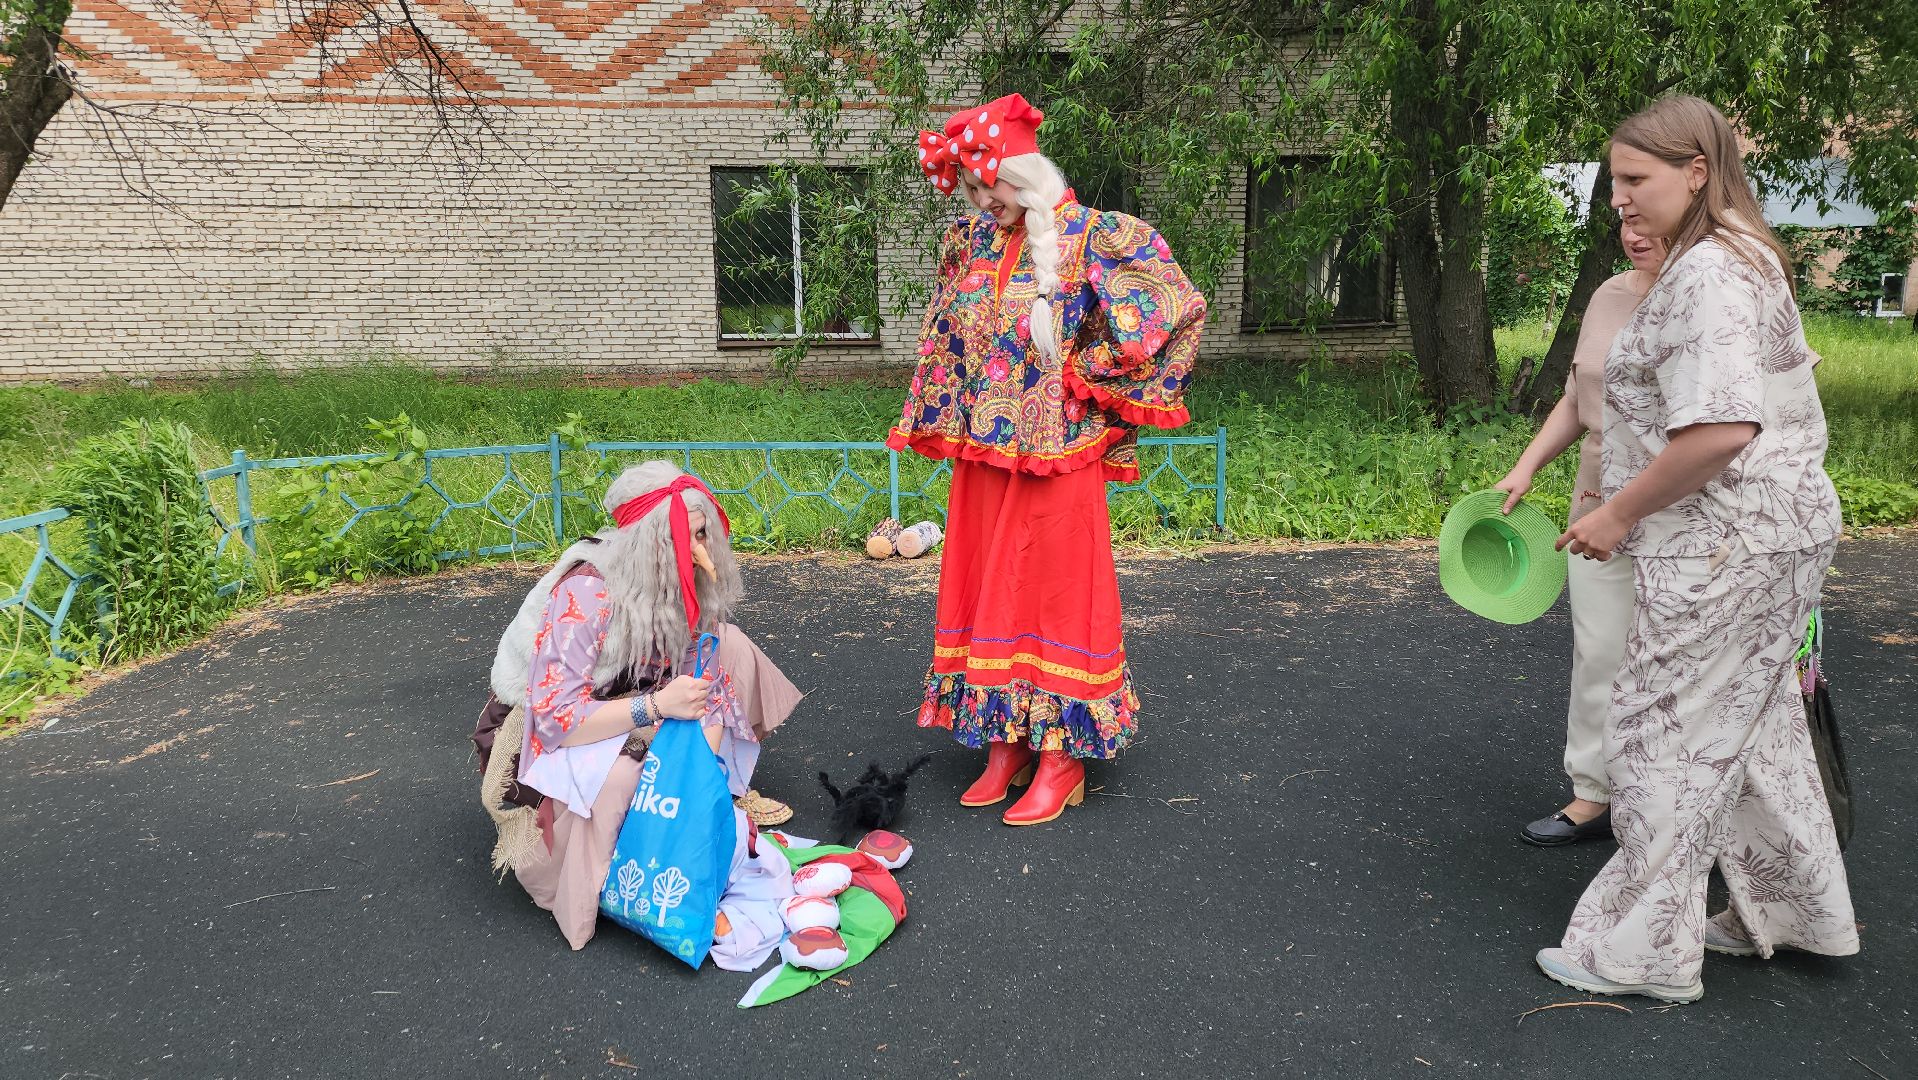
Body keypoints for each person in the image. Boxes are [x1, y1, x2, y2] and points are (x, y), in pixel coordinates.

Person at [1535, 96, 1856, 1004]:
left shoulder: (1711, 273)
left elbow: (1718, 429)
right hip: (1776, 534)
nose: (1620, 200)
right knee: (1754, 731)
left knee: (1659, 735)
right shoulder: (1748, 254)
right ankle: (1799, 914)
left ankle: (1640, 955)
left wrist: (1615, 514)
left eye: (1636, 180)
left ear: (1697, 172)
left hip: (1722, 543)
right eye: (1614, 182)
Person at [889, 93, 1207, 825]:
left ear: (1024, 172)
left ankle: (1061, 756)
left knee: (1056, 597)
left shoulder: (1097, 237)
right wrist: (948, 416)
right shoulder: (968, 246)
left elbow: (1174, 303)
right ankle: (1005, 740)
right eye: (968, 188)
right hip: (985, 458)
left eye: (985, 185)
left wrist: (1089, 372)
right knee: (987, 590)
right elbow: (945, 342)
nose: (978, 201)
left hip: (1058, 459)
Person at [473, 461, 806, 966]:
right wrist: (656, 709)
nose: (702, 552)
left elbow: (702, 670)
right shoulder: (587, 590)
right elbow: (554, 722)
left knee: (731, 650)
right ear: (652, 539)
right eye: (688, 537)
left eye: (705, 535)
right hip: (547, 725)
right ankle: (595, 880)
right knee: (623, 773)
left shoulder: (679, 576)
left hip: (635, 694)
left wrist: (697, 785)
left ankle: (701, 809)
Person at [1496, 223, 1667, 847]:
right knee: (1599, 651)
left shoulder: (1719, 290)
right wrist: (1527, 466)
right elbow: (1576, 396)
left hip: (1690, 510)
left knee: (1680, 660)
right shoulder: (1608, 294)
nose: (1633, 231)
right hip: (1598, 504)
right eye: (1624, 217)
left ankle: (1679, 802)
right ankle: (1594, 793)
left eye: (1645, 211)